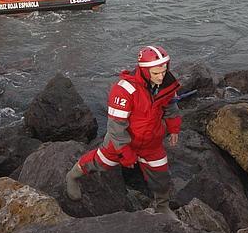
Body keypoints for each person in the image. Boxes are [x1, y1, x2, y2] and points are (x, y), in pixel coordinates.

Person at [65, 45, 182, 218]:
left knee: (161, 175)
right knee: (101, 161)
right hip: (121, 141)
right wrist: (124, 152)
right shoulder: (124, 90)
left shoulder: (166, 84)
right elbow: (116, 127)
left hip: (151, 141)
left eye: (164, 71)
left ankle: (162, 205)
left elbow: (171, 108)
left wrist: (174, 130)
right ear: (144, 70)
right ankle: (73, 175)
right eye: (156, 73)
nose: (161, 76)